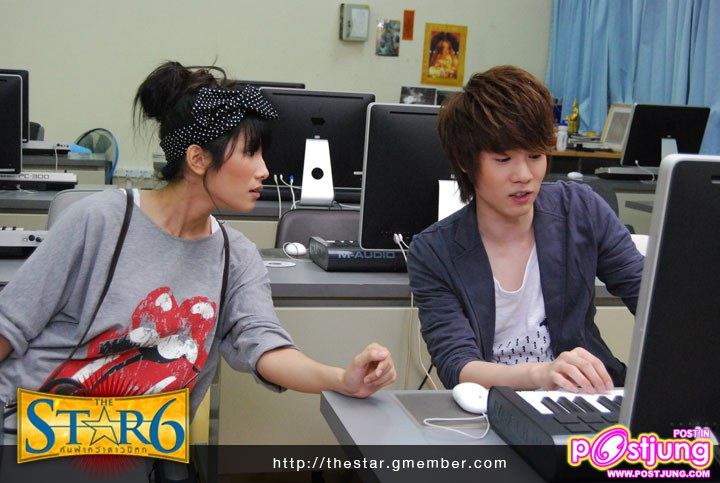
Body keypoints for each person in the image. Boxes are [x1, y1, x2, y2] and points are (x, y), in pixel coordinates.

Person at [0, 62, 395, 451]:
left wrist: (341, 379)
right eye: (251, 154)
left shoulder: (236, 256)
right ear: (197, 159)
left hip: (132, 449)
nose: (264, 170)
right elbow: (10, 325)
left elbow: (264, 345)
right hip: (30, 435)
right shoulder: (101, 219)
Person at [407, 65, 643, 394]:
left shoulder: (580, 209)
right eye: (503, 160)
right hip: (495, 406)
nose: (524, 175)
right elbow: (457, 365)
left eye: (535, 155)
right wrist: (540, 375)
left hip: (585, 399)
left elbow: (649, 296)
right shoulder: (434, 251)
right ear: (464, 161)